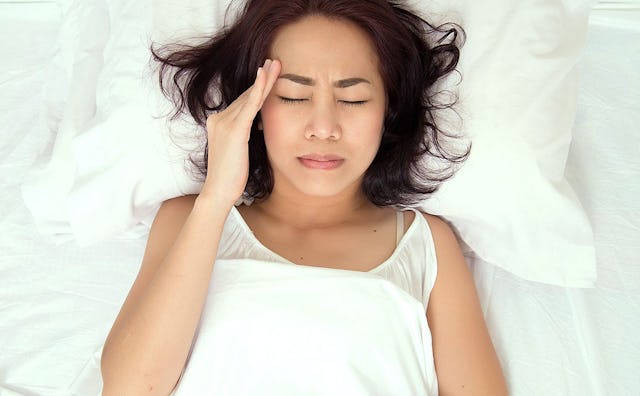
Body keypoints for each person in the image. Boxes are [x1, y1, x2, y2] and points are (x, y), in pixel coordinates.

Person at [101, 0, 508, 394]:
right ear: (253, 109)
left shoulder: (426, 245)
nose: (324, 127)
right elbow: (130, 388)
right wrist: (215, 200)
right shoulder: (188, 219)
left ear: (388, 112)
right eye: (294, 96)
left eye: (353, 99)